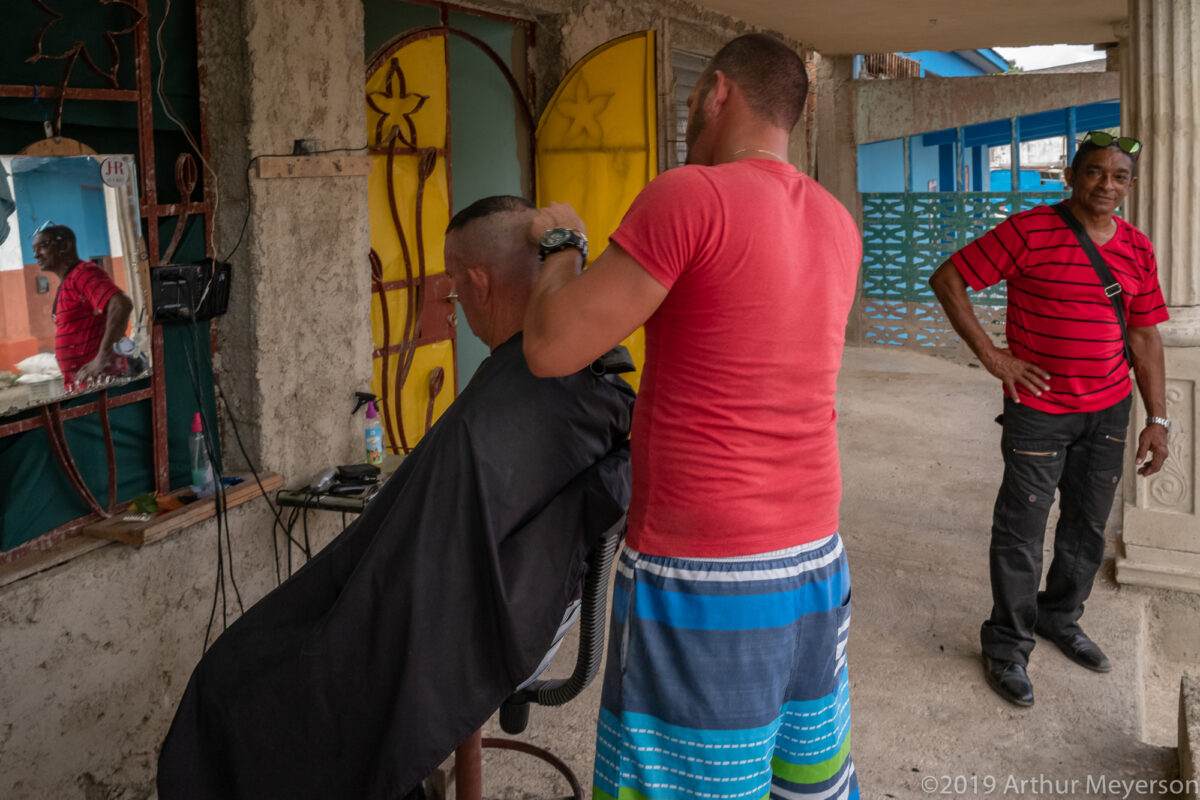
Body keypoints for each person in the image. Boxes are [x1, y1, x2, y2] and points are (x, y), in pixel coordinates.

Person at [156, 196, 636, 800]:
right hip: (507, 608)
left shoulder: (514, 398)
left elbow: (433, 565)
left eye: (456, 294)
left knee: (236, 686)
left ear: (480, 283)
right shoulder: (588, 381)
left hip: (480, 630)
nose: (458, 312)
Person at [522, 34, 861, 800]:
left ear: (715, 93)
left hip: (708, 573)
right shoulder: (838, 223)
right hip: (814, 560)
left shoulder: (691, 195)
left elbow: (551, 345)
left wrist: (561, 248)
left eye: (689, 103)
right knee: (799, 779)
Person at [929, 132, 1170, 708]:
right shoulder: (1030, 231)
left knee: (1087, 526)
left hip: (1109, 408)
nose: (1105, 185)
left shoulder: (1136, 247)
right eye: (1093, 173)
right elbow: (948, 278)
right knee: (1021, 529)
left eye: (1118, 176)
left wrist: (1157, 417)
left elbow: (1143, 335)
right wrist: (994, 356)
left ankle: (1060, 617)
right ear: (1071, 176)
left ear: (1130, 186)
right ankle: (1007, 644)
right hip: (1039, 412)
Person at [32, 224, 132, 387]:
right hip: (88, 386)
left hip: (105, 383)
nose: (36, 255)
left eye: (43, 246)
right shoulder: (69, 281)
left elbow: (121, 304)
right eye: (34, 249)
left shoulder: (83, 273)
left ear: (65, 246)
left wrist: (102, 358)